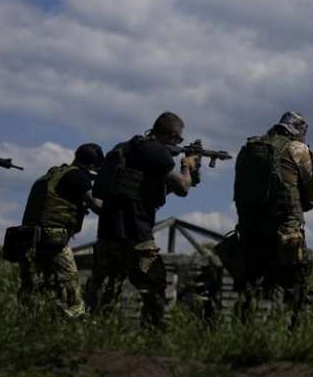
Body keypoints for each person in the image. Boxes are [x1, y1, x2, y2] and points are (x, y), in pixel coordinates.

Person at [84, 112, 198, 327]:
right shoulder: (156, 151)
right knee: (153, 288)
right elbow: (183, 187)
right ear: (172, 135)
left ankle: (93, 332)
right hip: (135, 232)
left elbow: (145, 190)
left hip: (107, 232)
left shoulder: (125, 148)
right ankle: (152, 335)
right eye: (179, 139)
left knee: (103, 290)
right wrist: (187, 165)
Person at [233, 111, 313, 323]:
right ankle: (301, 342)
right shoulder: (296, 149)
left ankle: (240, 336)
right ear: (299, 131)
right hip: (286, 236)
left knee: (250, 290)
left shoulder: (248, 150)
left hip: (250, 232)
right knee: (303, 290)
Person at [17, 143, 104, 317]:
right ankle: (72, 326)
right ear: (92, 166)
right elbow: (97, 207)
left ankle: (26, 326)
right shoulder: (79, 177)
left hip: (26, 237)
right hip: (53, 240)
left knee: (31, 291)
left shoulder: (50, 174)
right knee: (73, 294)